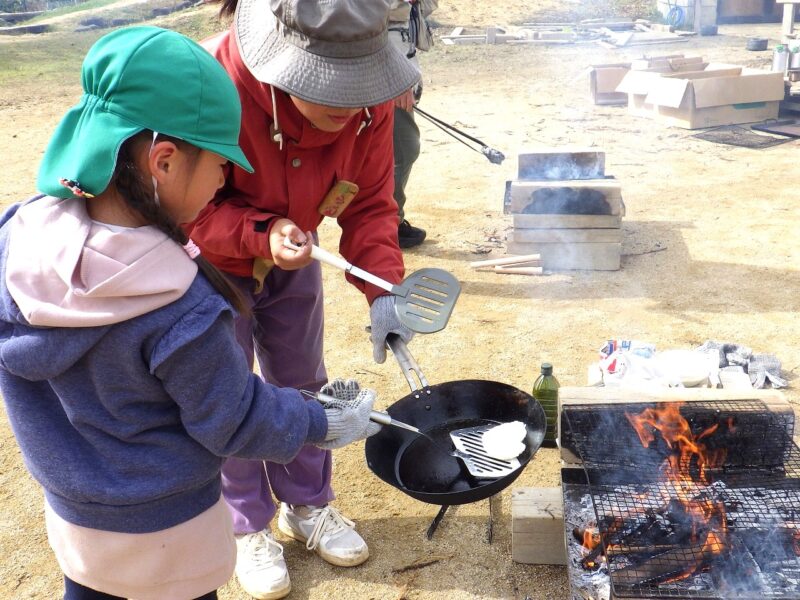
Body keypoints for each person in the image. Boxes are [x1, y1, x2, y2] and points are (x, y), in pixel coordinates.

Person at [0, 26, 380, 600]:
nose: (226, 179)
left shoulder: (15, 245)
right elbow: (234, 419)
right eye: (221, 164)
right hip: (173, 536)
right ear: (166, 161)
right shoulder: (182, 306)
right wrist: (320, 422)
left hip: (77, 528)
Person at [187, 0, 419, 597]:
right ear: (283, 71)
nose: (351, 108)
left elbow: (368, 205)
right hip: (209, 265)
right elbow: (186, 206)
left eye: (360, 90)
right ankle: (247, 525)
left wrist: (382, 290)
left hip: (299, 256)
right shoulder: (213, 84)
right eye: (332, 94)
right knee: (231, 391)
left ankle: (307, 503)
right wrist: (260, 233)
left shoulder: (371, 107)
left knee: (303, 379)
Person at [389, 0, 439, 249]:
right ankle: (389, 225)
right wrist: (397, 77)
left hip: (400, 72)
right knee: (404, 150)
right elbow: (368, 29)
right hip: (386, 78)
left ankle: (389, 221)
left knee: (399, 151)